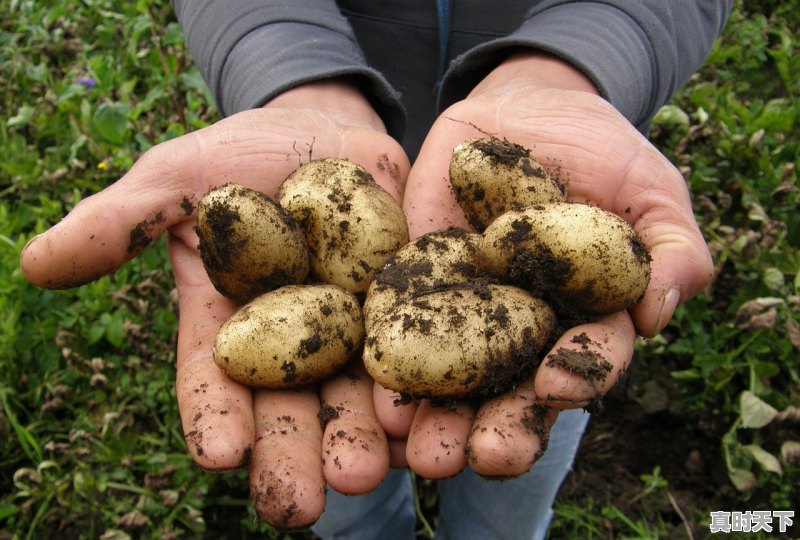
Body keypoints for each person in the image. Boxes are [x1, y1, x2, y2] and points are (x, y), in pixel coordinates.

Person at [20, 1, 731, 538]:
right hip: (340, 128)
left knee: (522, 450)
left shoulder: (509, 245)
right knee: (344, 486)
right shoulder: (355, 263)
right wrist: (295, 78)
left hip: (543, 195)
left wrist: (578, 63)